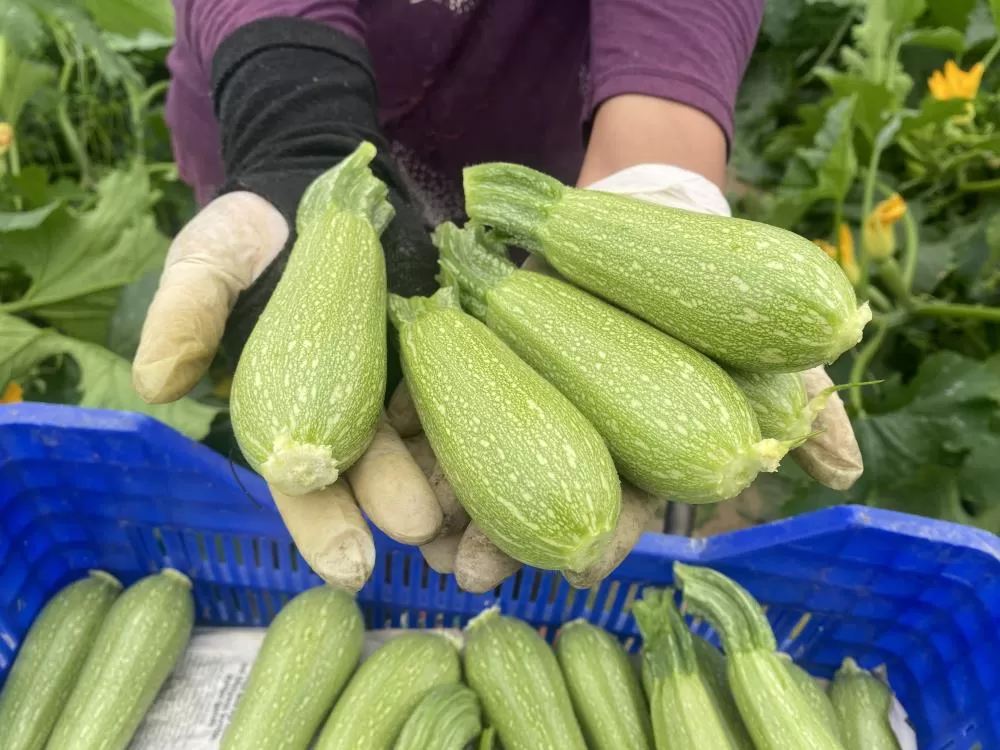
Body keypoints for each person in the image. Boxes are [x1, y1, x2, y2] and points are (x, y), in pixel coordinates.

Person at [133, 0, 856, 592]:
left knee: (523, 294)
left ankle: (494, 267)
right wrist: (298, 130)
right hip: (283, 88)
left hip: (552, 117)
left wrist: (654, 165)